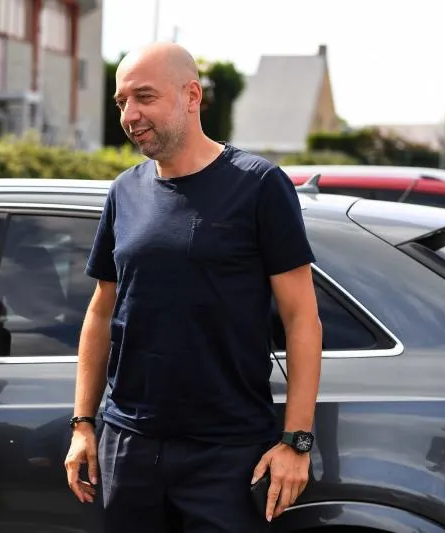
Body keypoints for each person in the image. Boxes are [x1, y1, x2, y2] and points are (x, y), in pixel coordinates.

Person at [64, 43, 323, 532]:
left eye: (144, 97)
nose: (129, 114)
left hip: (228, 455)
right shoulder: (123, 191)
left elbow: (301, 318)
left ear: (191, 95)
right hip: (129, 447)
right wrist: (83, 424)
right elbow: (102, 311)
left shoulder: (258, 185)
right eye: (121, 102)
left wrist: (297, 441)